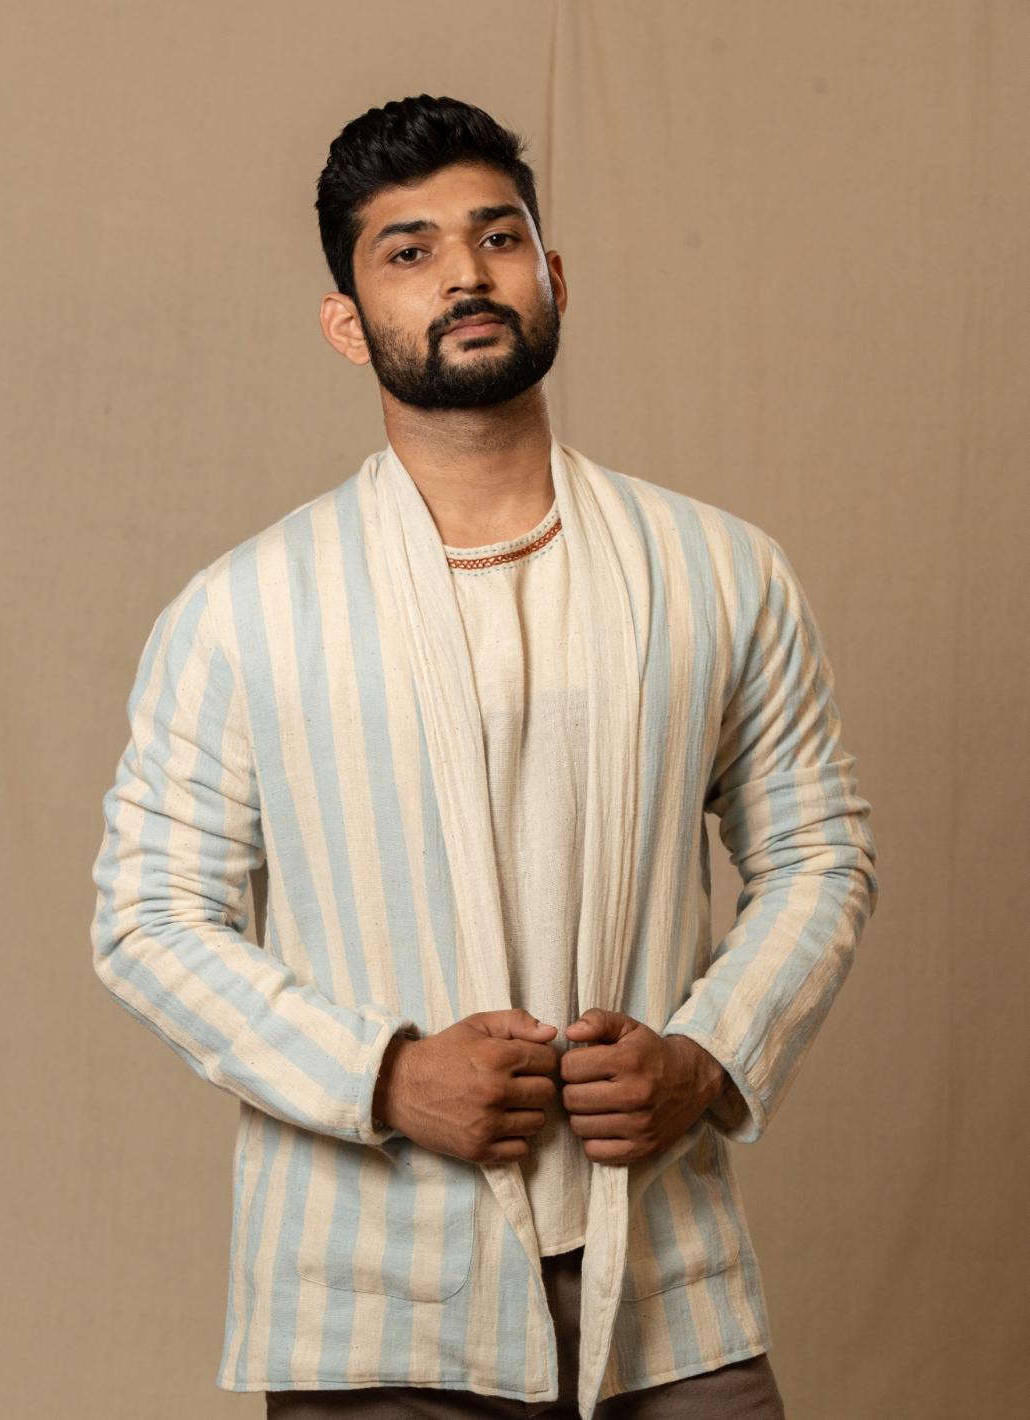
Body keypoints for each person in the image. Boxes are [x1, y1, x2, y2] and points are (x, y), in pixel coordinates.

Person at [90, 94, 878, 1419]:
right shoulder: (243, 609)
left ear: (551, 274)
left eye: (496, 236)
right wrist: (386, 1076)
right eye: (408, 251)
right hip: (369, 1294)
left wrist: (705, 1056)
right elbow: (148, 916)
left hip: (665, 1275)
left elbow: (819, 851)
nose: (464, 272)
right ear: (347, 322)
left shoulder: (717, 571)